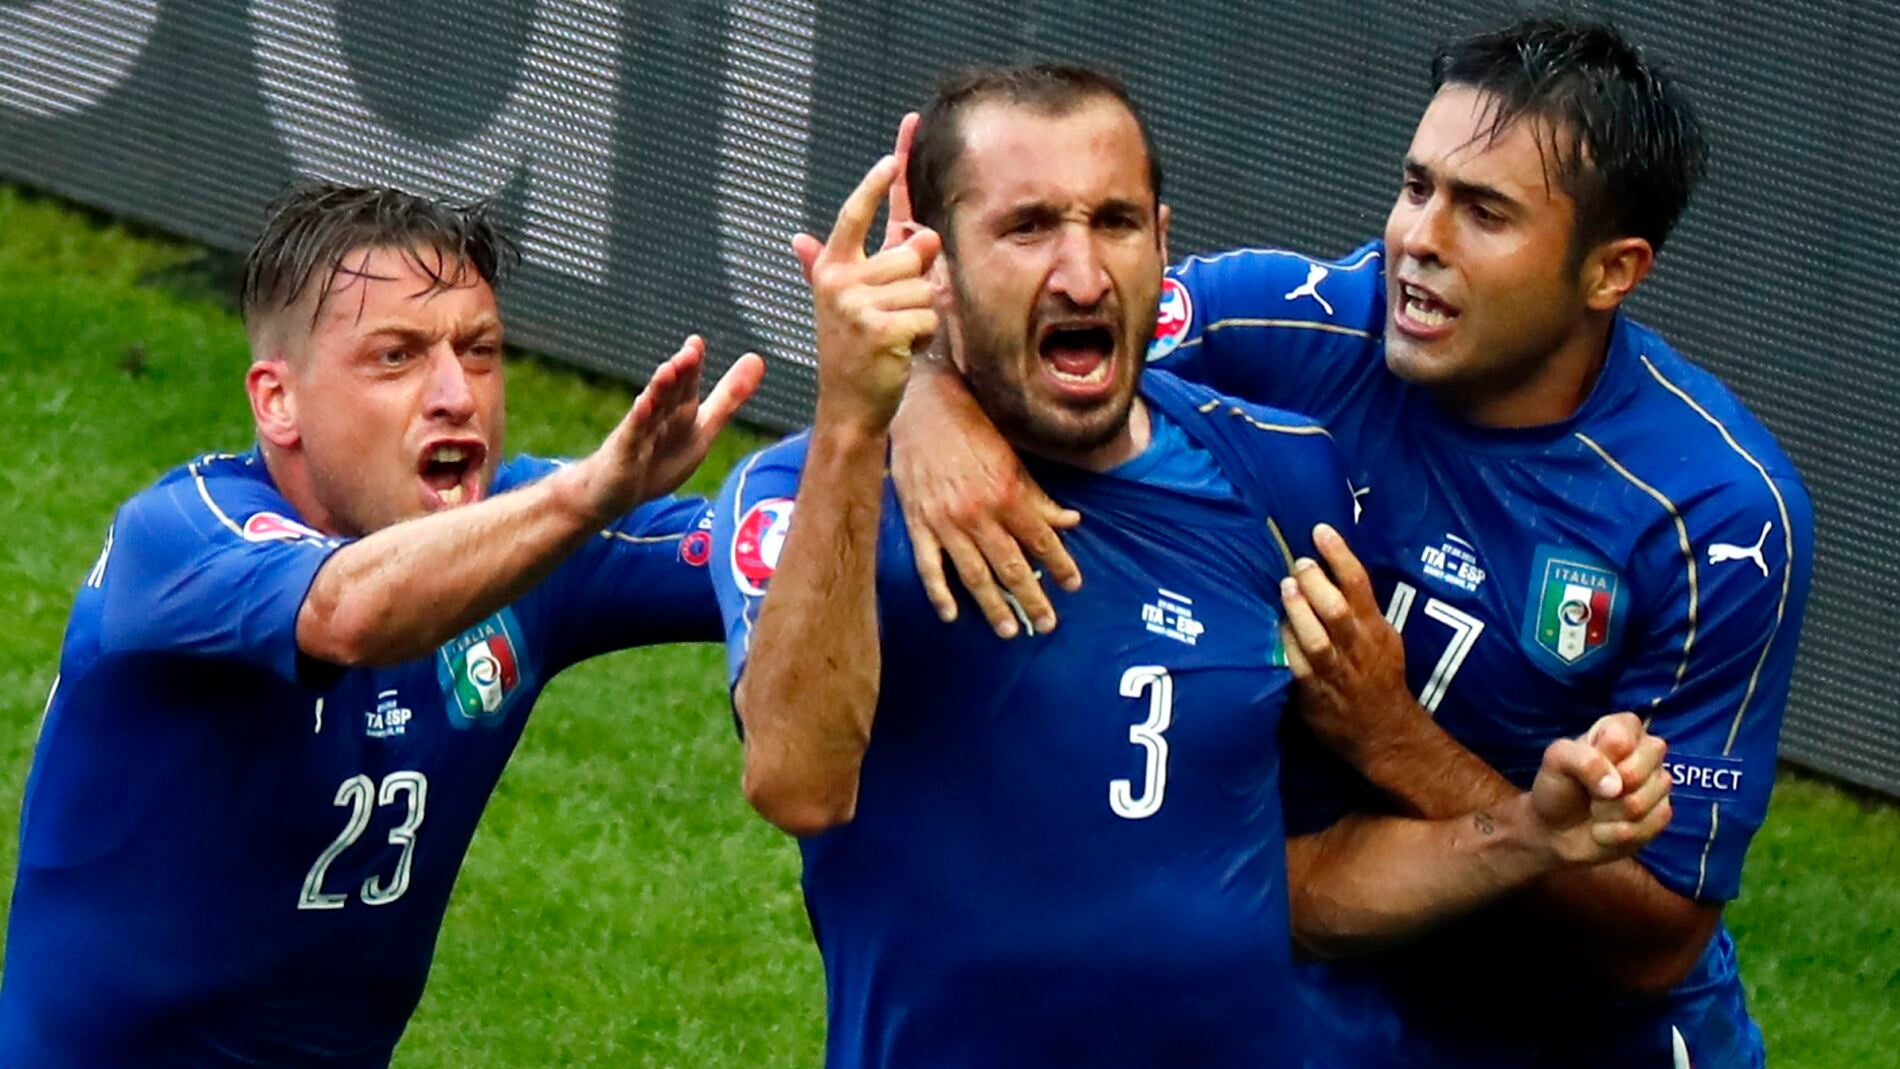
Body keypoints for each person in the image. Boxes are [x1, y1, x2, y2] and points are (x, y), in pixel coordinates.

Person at [894, 19, 1813, 1069]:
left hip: (1591, 1042)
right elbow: (1030, 317)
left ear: (1611, 271)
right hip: (1326, 1003)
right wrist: (929, 389)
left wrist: (1393, 737)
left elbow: (1657, 936)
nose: (1419, 237)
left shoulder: (1714, 515)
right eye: (1417, 187)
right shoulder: (1286, 327)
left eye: (1484, 212)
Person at [715, 64, 1672, 1069]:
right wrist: (862, 417)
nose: (1081, 275)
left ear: (1163, 244)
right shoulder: (806, 497)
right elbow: (797, 781)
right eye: (1028, 227)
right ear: (934, 267)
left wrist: (1525, 832)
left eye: (1116, 223)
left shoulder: (1280, 474)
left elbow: (1297, 882)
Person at [0, 183, 763, 1067]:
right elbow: (347, 611)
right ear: (277, 401)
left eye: (478, 351)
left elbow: (779, 552)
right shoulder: (176, 539)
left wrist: (877, 415)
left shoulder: (532, 535)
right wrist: (587, 496)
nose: (456, 394)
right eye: (396, 357)